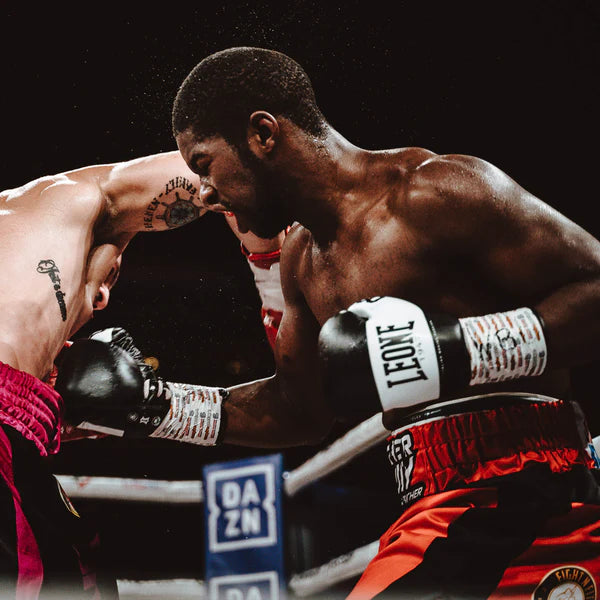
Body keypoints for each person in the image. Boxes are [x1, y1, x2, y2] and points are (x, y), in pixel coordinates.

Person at [57, 46, 600, 598]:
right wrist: (158, 406)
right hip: (436, 506)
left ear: (263, 134)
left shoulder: (435, 191)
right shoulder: (302, 261)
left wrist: (461, 348)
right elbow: (299, 408)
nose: (205, 192)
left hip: (532, 486)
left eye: (204, 164)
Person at [0, 151, 284, 598]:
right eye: (112, 277)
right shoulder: (65, 198)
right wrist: (276, 295)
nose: (102, 301)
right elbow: (233, 165)